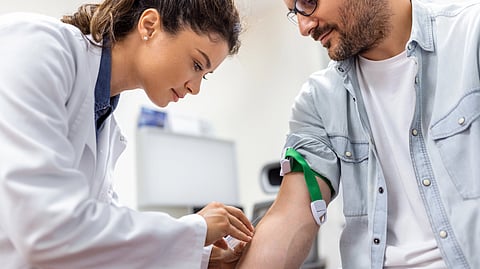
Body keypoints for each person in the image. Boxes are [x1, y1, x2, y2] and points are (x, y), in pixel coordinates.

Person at [0, 0, 254, 268]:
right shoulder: (37, 45)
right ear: (149, 26)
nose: (195, 88)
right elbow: (47, 229)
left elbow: (95, 238)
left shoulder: (104, 123)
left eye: (205, 75)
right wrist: (195, 229)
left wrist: (200, 257)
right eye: (196, 64)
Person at [237, 0, 480, 268]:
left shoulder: (470, 36)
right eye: (295, 13)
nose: (304, 27)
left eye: (307, 2)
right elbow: (290, 216)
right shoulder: (318, 100)